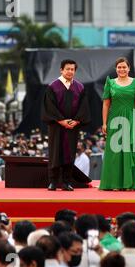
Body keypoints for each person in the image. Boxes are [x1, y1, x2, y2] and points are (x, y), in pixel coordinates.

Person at [41, 59, 91, 191]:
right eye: (67, 69)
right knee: (55, 153)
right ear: (61, 70)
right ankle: (53, 181)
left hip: (72, 126)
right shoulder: (53, 86)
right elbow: (49, 107)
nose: (70, 71)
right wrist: (61, 121)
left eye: (72, 69)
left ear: (75, 71)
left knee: (69, 153)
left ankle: (66, 182)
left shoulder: (80, 87)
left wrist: (77, 121)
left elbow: (83, 107)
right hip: (56, 126)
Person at [99, 57, 135, 191]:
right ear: (116, 69)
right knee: (115, 151)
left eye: (124, 67)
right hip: (114, 119)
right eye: (119, 67)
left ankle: (131, 183)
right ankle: (114, 183)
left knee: (130, 148)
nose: (122, 69)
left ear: (129, 68)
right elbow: (106, 104)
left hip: (131, 118)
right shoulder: (111, 83)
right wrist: (104, 123)